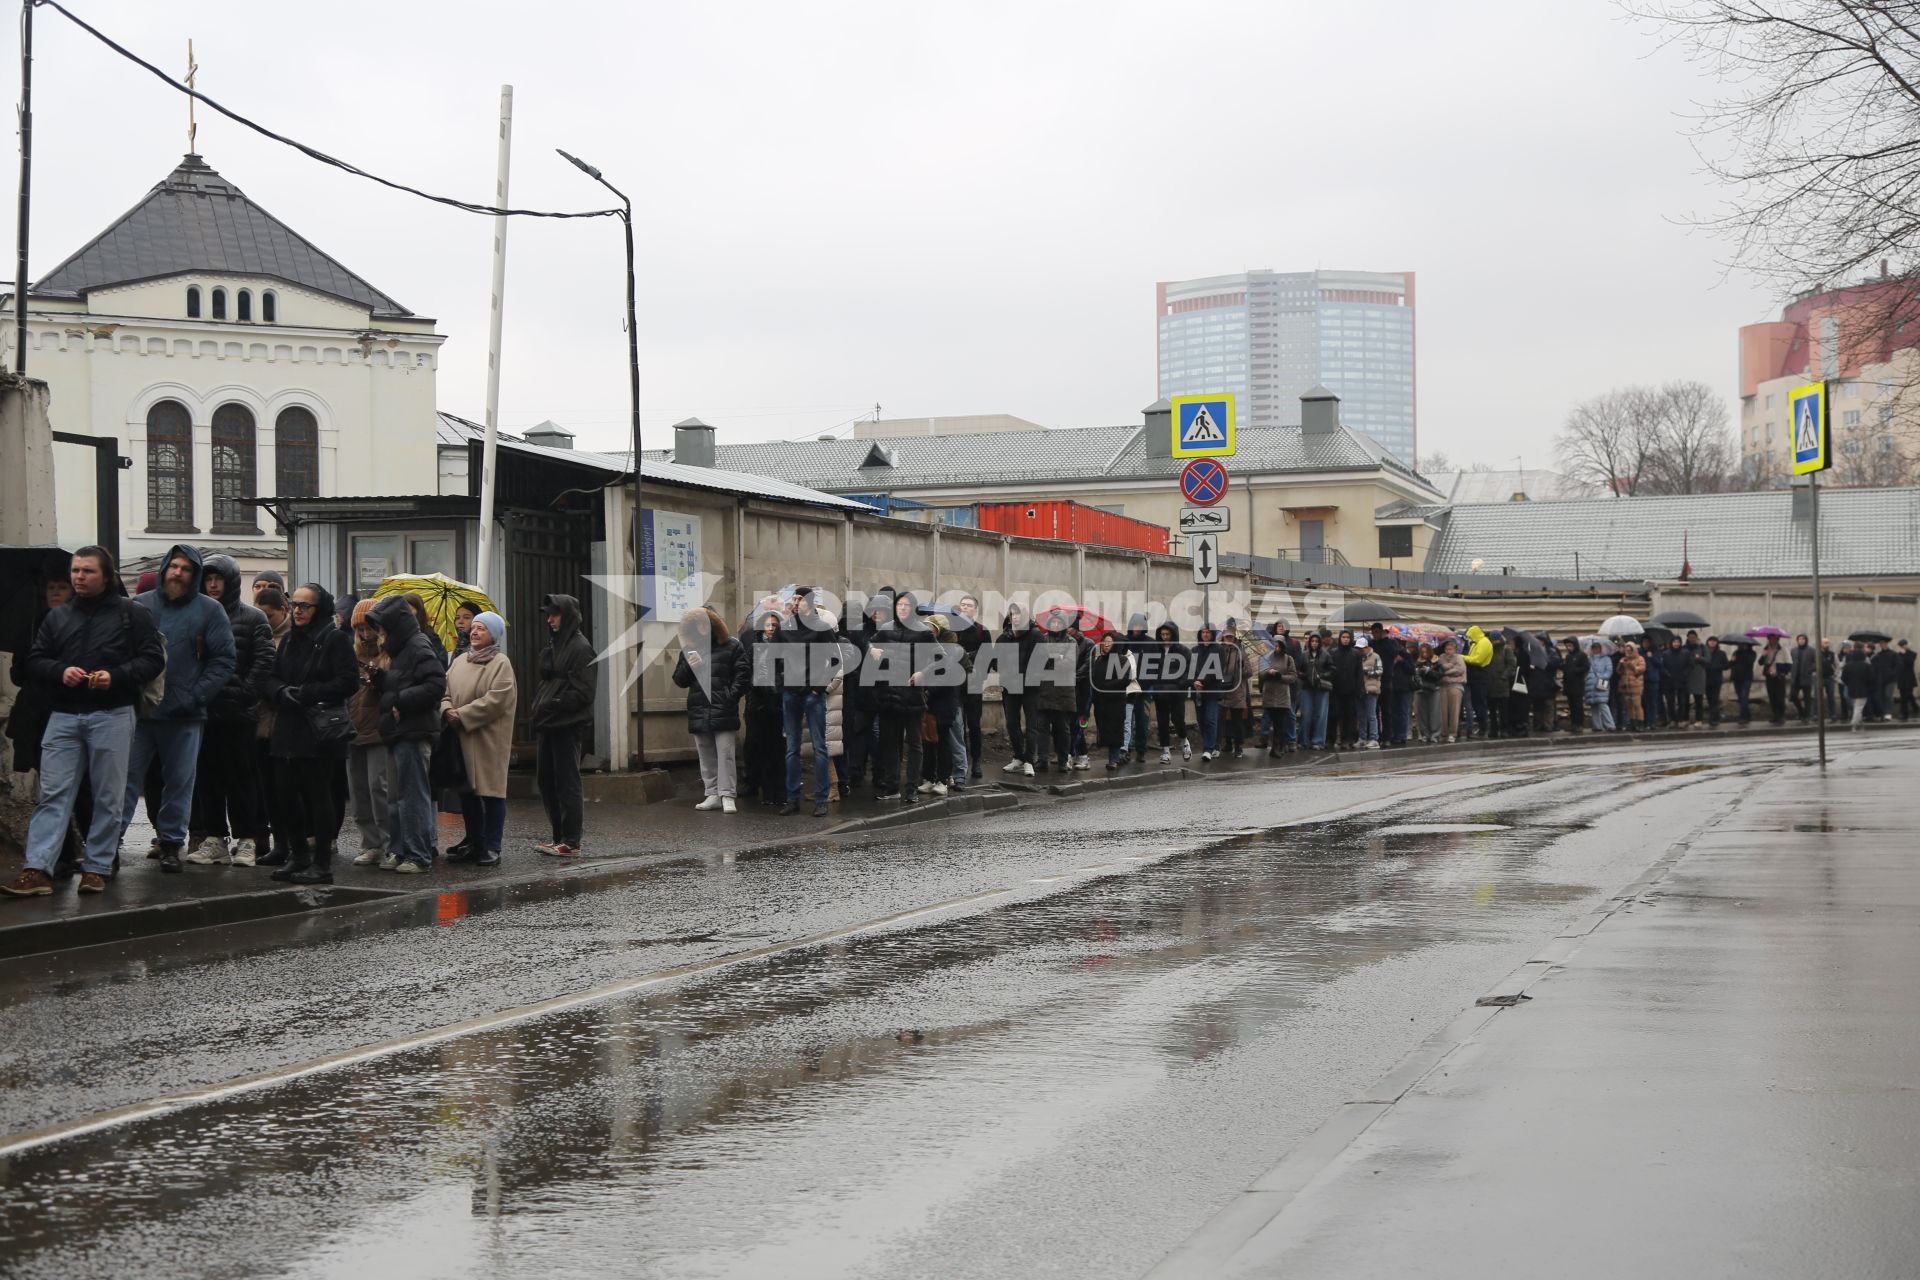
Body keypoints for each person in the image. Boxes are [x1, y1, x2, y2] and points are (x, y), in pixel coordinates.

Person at [2, 547, 166, 898]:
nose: (79, 577)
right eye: (76, 571)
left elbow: (152, 659)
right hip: (63, 715)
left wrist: (116, 676)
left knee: (108, 796)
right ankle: (37, 869)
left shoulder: (131, 614)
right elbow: (36, 660)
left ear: (106, 576)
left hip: (113, 714)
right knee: (53, 795)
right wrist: (62, 671)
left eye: (87, 571)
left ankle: (96, 868)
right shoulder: (58, 617)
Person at [119, 544, 236, 873]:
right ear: (164, 569)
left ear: (194, 574)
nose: (178, 572)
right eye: (174, 566)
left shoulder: (210, 611)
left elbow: (223, 661)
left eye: (186, 568)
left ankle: (171, 843)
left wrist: (194, 696)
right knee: (125, 779)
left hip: (185, 715)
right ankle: (109, 843)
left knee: (180, 781)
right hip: (141, 713)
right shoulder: (139, 607)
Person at [260, 582, 358, 885]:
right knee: (285, 793)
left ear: (320, 609)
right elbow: (271, 677)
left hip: (319, 730)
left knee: (318, 796)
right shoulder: (289, 640)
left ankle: (322, 863)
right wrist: (280, 691)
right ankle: (298, 855)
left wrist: (306, 693)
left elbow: (348, 682)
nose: (298, 610)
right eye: (295, 604)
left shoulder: (335, 640)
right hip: (288, 726)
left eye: (305, 606)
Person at [184, 555, 274, 867]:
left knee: (243, 778)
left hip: (239, 714)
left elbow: (264, 661)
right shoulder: (195, 614)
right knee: (207, 778)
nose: (212, 584)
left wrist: (245, 693)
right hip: (204, 710)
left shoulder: (253, 618)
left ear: (231, 581)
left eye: (218, 578)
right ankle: (214, 837)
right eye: (207, 578)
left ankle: (248, 838)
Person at [368, 593, 448, 872]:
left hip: (413, 731)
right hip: (398, 731)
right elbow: (405, 681)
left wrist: (400, 699)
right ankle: (400, 851)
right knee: (397, 796)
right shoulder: (401, 649)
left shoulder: (417, 645)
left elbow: (436, 684)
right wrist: (381, 679)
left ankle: (418, 855)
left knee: (413, 795)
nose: (378, 632)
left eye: (381, 626)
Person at [442, 610, 517, 863]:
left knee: (492, 792)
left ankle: (493, 846)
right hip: (460, 736)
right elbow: (445, 691)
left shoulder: (501, 663)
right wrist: (446, 709)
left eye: (481, 628)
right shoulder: (460, 661)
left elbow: (496, 700)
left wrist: (461, 714)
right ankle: (474, 841)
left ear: (493, 634)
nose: (474, 631)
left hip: (488, 739)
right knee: (468, 792)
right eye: (473, 627)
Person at [529, 593, 596, 849]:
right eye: (548, 615)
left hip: (567, 724)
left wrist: (552, 703)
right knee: (547, 780)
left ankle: (570, 840)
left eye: (554, 615)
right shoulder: (556, 644)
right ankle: (558, 837)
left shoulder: (581, 647)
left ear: (567, 616)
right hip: (548, 723)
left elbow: (585, 692)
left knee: (567, 782)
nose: (550, 620)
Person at [342, 599, 392, 866]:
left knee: (378, 787)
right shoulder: (351, 654)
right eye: (359, 628)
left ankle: (388, 844)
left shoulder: (388, 654)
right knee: (358, 789)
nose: (365, 634)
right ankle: (370, 843)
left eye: (369, 627)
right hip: (353, 728)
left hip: (378, 729)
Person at [739, 609, 787, 805]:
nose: (770, 629)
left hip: (779, 708)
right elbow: (746, 675)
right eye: (768, 625)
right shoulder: (753, 649)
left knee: (778, 750)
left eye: (775, 625)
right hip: (757, 707)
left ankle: (779, 792)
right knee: (757, 748)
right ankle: (764, 790)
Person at [1086, 629, 1137, 769]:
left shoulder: (1122, 660)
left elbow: (1125, 679)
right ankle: (1111, 758)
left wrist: (1106, 686)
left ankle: (1113, 759)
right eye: (1104, 642)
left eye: (1109, 642)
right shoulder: (1099, 660)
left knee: (1115, 730)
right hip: (1101, 702)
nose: (1106, 644)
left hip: (1115, 702)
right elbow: (1094, 678)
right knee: (1105, 730)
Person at [997, 604, 1036, 773]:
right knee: (1012, 723)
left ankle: (1029, 760)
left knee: (1031, 725)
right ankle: (1019, 756)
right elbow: (996, 661)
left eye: (1019, 614)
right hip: (1010, 687)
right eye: (1013, 614)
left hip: (1031, 688)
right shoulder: (1004, 638)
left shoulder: (1036, 635)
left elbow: (1044, 661)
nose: (1016, 617)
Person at [953, 594, 987, 781]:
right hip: (955, 683)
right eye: (962, 605)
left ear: (975, 610)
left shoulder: (982, 631)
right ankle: (960, 761)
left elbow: (987, 657)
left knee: (974, 724)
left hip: (973, 683)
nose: (965, 608)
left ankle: (977, 761)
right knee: (958, 724)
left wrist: (969, 657)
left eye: (968, 605)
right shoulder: (953, 630)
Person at [1148, 622, 1192, 763]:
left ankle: (1184, 741)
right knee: (1162, 722)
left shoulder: (1183, 651)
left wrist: (1180, 685)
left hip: (1177, 693)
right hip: (1160, 693)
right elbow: (1151, 669)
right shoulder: (1156, 651)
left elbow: (1190, 671)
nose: (1165, 637)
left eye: (1167, 634)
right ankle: (1165, 751)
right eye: (1162, 634)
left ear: (1173, 635)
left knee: (1178, 719)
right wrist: (1155, 686)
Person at [1258, 625, 1298, 756]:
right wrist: (1268, 673)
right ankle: (1274, 747)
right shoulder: (1265, 658)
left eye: (1279, 645)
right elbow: (1260, 674)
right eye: (1274, 645)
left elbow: (1293, 677)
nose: (1276, 647)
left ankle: (1279, 747)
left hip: (1282, 696)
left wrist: (1280, 676)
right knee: (1272, 722)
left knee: (1280, 723)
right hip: (1269, 694)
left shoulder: (1288, 659)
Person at [1217, 619, 1252, 759]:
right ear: (1223, 638)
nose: (1228, 639)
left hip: (1237, 692)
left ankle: (1238, 746)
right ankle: (1228, 743)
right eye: (1226, 637)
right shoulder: (1219, 651)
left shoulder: (1241, 653)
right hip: (1223, 690)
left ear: (1235, 638)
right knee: (1225, 720)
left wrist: (1238, 672)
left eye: (1231, 637)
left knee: (1237, 721)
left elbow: (1249, 672)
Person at [1326, 629, 1361, 749]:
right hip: (1336, 690)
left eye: (1347, 637)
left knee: (1348, 716)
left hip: (1350, 690)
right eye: (1343, 637)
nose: (1345, 639)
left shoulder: (1355, 653)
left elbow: (1359, 673)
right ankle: (1331, 739)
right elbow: (1329, 670)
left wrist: (1359, 688)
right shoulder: (1333, 652)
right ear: (1340, 638)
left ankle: (1347, 739)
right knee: (1334, 715)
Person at [1298, 632, 1333, 750]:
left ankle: (1318, 741)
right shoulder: (1303, 655)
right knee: (1306, 714)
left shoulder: (1325, 655)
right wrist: (1304, 676)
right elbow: (1298, 670)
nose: (1314, 643)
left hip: (1321, 688)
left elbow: (1332, 670)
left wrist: (1322, 675)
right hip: (1306, 688)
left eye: (1316, 641)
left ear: (1319, 642)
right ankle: (1304, 740)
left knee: (1320, 715)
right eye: (1312, 641)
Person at [1462, 624, 1493, 739]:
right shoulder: (1476, 643)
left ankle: (1483, 728)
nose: (1469, 638)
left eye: (1470, 636)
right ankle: (1482, 727)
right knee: (1476, 704)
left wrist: (1462, 657)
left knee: (1480, 704)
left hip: (1480, 677)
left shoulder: (1484, 642)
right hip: (1474, 677)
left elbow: (1478, 660)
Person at [1436, 638, 1467, 743]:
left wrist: (1446, 672)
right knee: (1443, 711)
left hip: (1456, 685)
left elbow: (1460, 670)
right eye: (1446, 649)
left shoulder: (1459, 657)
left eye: (1450, 649)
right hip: (1443, 686)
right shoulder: (1441, 657)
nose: (1448, 651)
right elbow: (1438, 669)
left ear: (1455, 650)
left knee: (1454, 711)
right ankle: (1444, 732)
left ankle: (1452, 733)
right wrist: (1449, 668)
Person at [1412, 643, 1442, 743]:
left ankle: (1435, 734)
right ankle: (1425, 734)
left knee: (1435, 713)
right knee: (1421, 714)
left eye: (1426, 652)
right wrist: (1418, 672)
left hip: (1434, 689)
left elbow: (1440, 674)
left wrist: (1429, 671)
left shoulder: (1436, 661)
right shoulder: (1417, 662)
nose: (1424, 654)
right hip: (1421, 689)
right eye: (1422, 652)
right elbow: (1413, 676)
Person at [1616, 641, 1648, 731]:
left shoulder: (1640, 658)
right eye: (1627, 650)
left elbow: (1641, 669)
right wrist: (1620, 664)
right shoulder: (1624, 659)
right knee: (1629, 706)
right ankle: (1633, 723)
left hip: (1636, 685)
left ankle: (1640, 722)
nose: (1628, 652)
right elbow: (1619, 672)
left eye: (1630, 650)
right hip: (1626, 686)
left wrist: (1631, 664)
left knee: (1637, 705)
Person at [1585, 643, 1616, 732]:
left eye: (1597, 648)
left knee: (1602, 703)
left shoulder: (1606, 659)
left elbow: (1609, 671)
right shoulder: (1589, 659)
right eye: (1593, 648)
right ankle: (1597, 726)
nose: (1595, 650)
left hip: (1601, 682)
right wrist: (1587, 679)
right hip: (1590, 684)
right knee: (1594, 705)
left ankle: (1610, 725)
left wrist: (1601, 677)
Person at [1560, 637, 1589, 733]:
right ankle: (1573, 723)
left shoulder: (1582, 655)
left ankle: (1579, 724)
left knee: (1577, 705)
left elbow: (1586, 667)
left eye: (1570, 645)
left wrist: (1575, 671)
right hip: (1569, 685)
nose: (1568, 648)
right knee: (1571, 705)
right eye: (1567, 646)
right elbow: (1566, 668)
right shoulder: (1568, 656)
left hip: (1578, 685)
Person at [1843, 644, 1875, 730]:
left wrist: (1849, 684)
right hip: (1863, 689)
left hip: (1851, 689)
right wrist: (1869, 687)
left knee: (1856, 706)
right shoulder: (1867, 666)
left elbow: (1843, 678)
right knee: (1859, 707)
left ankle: (1860, 723)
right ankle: (1854, 724)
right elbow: (1871, 678)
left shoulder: (1847, 666)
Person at [1760, 638, 1790, 725]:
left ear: (1777, 640)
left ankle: (1781, 716)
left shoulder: (1783, 650)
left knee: (1780, 696)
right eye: (1770, 639)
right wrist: (1763, 656)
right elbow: (1760, 662)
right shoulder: (1766, 649)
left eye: (1773, 639)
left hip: (1779, 676)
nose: (1771, 641)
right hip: (1769, 676)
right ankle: (1775, 715)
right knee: (1772, 696)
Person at [1701, 637, 1728, 727]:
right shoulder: (1703, 652)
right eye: (1710, 641)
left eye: (1714, 641)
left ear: (1717, 643)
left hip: (1716, 679)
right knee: (1709, 699)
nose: (1712, 643)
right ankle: (1716, 717)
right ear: (1707, 642)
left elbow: (1726, 666)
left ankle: (1713, 720)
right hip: (1705, 679)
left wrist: (1717, 666)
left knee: (1714, 700)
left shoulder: (1721, 653)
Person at [1729, 638, 1756, 726]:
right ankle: (1747, 715)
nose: (1740, 645)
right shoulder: (1735, 653)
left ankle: (1743, 717)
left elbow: (1750, 661)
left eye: (1743, 644)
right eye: (1739, 644)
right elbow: (1731, 664)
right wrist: (1732, 660)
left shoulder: (1751, 653)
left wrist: (1744, 651)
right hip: (1736, 678)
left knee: (1744, 697)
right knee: (1740, 698)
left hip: (1746, 678)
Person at [1790, 633, 1816, 722]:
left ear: (1806, 640)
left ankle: (1806, 716)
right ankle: (1801, 712)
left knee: (1807, 698)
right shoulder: (1793, 650)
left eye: (1803, 639)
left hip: (1806, 677)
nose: (1801, 641)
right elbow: (1790, 662)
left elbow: (1816, 662)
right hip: (1795, 677)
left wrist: (1810, 669)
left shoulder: (1811, 650)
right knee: (1793, 696)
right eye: (1799, 639)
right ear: (1797, 641)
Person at [1897, 639, 1917, 721]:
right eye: (1901, 646)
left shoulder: (1912, 653)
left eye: (1904, 645)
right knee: (1903, 697)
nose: (1903, 647)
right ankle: (1904, 714)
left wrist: (1905, 654)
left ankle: (1915, 707)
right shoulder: (1898, 655)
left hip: (1909, 678)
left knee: (1909, 694)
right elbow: (1899, 665)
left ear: (1906, 645)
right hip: (1901, 678)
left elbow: (1910, 663)